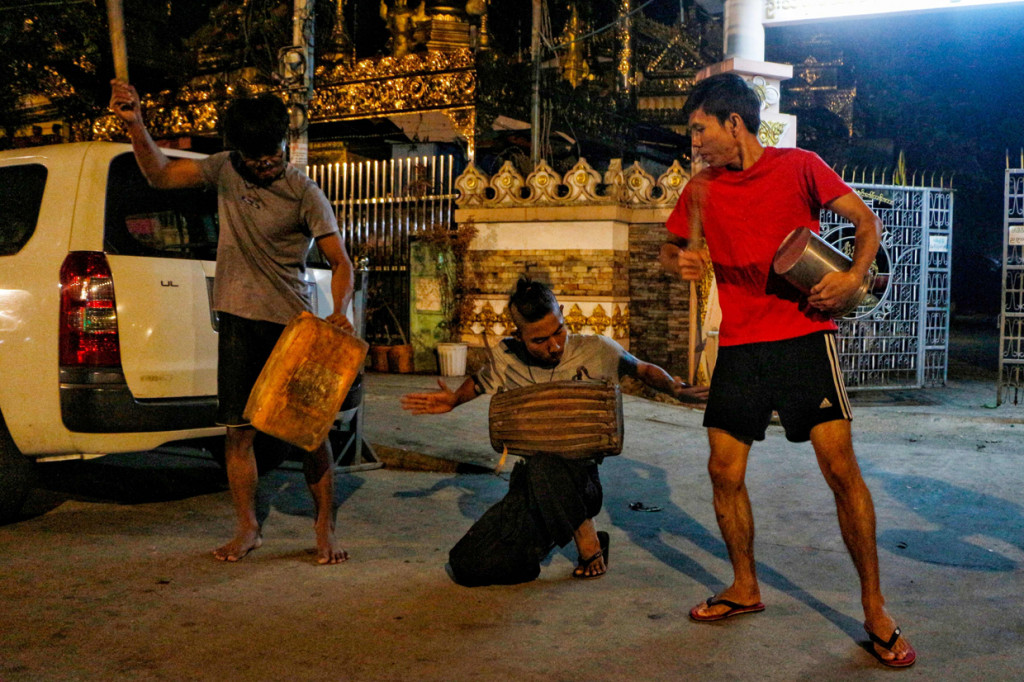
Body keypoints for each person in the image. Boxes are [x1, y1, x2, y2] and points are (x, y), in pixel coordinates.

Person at [659, 73, 916, 668]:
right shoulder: (699, 190)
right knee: (723, 471)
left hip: (804, 339)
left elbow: (866, 221)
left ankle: (876, 609)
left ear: (734, 123)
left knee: (840, 470)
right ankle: (745, 586)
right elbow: (668, 248)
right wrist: (681, 261)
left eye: (699, 129)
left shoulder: (800, 166)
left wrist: (853, 277)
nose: (693, 142)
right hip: (741, 347)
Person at [109, 80, 355, 565]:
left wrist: (339, 311)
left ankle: (324, 526)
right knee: (238, 433)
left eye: (273, 154)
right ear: (236, 150)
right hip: (239, 322)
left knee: (310, 434)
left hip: (293, 330)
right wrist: (137, 124)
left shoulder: (306, 193)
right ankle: (247, 528)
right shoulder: (224, 170)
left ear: (286, 142)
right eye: (255, 156)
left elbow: (342, 262)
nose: (266, 164)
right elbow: (159, 175)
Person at [401, 277, 708, 586]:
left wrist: (674, 387)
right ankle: (557, 534)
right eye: (539, 340)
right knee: (467, 565)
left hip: (581, 481)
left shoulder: (595, 348)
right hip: (531, 485)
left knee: (545, 462)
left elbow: (640, 368)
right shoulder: (507, 358)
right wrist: (454, 399)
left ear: (562, 313)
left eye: (559, 331)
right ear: (518, 336)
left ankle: (587, 540)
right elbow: (480, 382)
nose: (554, 345)